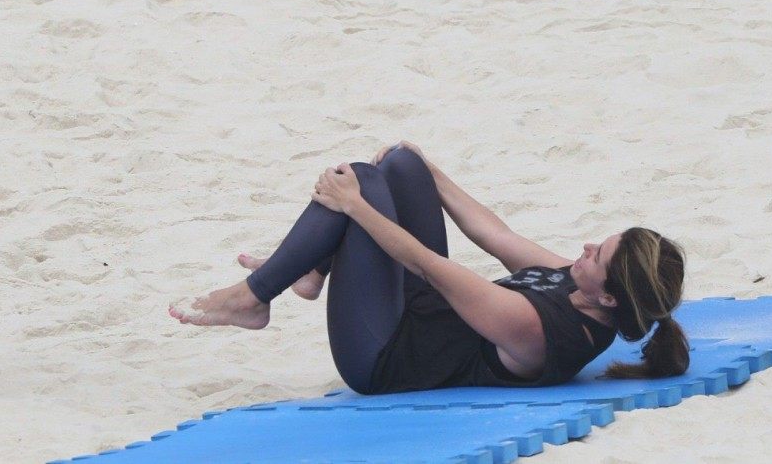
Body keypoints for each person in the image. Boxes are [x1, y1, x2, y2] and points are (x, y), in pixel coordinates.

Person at [170, 142, 689, 393]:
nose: (588, 245)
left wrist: (354, 206)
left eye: (600, 254)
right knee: (400, 165)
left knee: (366, 185)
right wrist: (430, 169)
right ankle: (311, 270)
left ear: (611, 298)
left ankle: (254, 297)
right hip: (417, 310)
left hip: (384, 355)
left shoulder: (541, 332)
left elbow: (426, 264)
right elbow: (495, 234)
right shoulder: (579, 285)